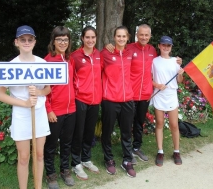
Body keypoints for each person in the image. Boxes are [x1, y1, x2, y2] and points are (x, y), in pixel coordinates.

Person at [106, 24, 182, 164]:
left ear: (150, 36)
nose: (144, 37)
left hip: (146, 94)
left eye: (146, 35)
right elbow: (116, 51)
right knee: (127, 124)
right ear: (136, 35)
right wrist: (108, 46)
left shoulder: (152, 50)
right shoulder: (128, 48)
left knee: (139, 123)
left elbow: (163, 63)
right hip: (130, 93)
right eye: (141, 34)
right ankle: (127, 150)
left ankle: (136, 147)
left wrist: (178, 62)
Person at [0, 25, 51, 189]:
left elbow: (48, 89)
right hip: (21, 114)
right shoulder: (10, 66)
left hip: (39, 113)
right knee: (24, 157)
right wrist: (25, 103)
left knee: (40, 154)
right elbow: (0, 95)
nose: (26, 42)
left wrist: (39, 92)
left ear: (34, 42)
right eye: (22, 39)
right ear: (16, 42)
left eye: (30, 39)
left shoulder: (42, 63)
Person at [101, 26, 136, 178]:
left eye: (124, 36)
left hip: (127, 99)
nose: (121, 39)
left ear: (128, 38)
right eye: (118, 36)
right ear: (114, 37)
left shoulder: (130, 54)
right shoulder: (105, 53)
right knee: (107, 131)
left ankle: (127, 160)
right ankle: (108, 158)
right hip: (110, 99)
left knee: (127, 132)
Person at [43, 26, 76, 189]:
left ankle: (65, 170)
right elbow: (44, 89)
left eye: (65, 39)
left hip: (71, 109)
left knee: (67, 143)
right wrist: (49, 109)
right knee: (50, 145)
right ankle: (50, 174)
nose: (63, 42)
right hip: (55, 111)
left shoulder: (70, 59)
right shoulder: (47, 61)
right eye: (59, 39)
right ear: (53, 41)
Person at [70, 26, 101, 180]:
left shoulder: (99, 55)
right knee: (79, 132)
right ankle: (76, 163)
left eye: (93, 37)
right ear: (82, 38)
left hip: (95, 100)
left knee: (90, 132)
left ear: (96, 38)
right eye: (87, 37)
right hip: (80, 99)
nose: (90, 40)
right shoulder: (75, 56)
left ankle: (86, 159)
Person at [151, 36, 184, 167]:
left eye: (168, 46)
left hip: (171, 94)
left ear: (171, 47)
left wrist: (181, 73)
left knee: (174, 125)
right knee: (159, 123)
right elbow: (149, 78)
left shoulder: (176, 61)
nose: (166, 47)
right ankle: (160, 151)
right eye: (163, 45)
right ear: (159, 46)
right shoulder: (154, 61)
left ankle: (176, 151)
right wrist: (157, 85)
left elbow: (179, 80)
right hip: (159, 94)